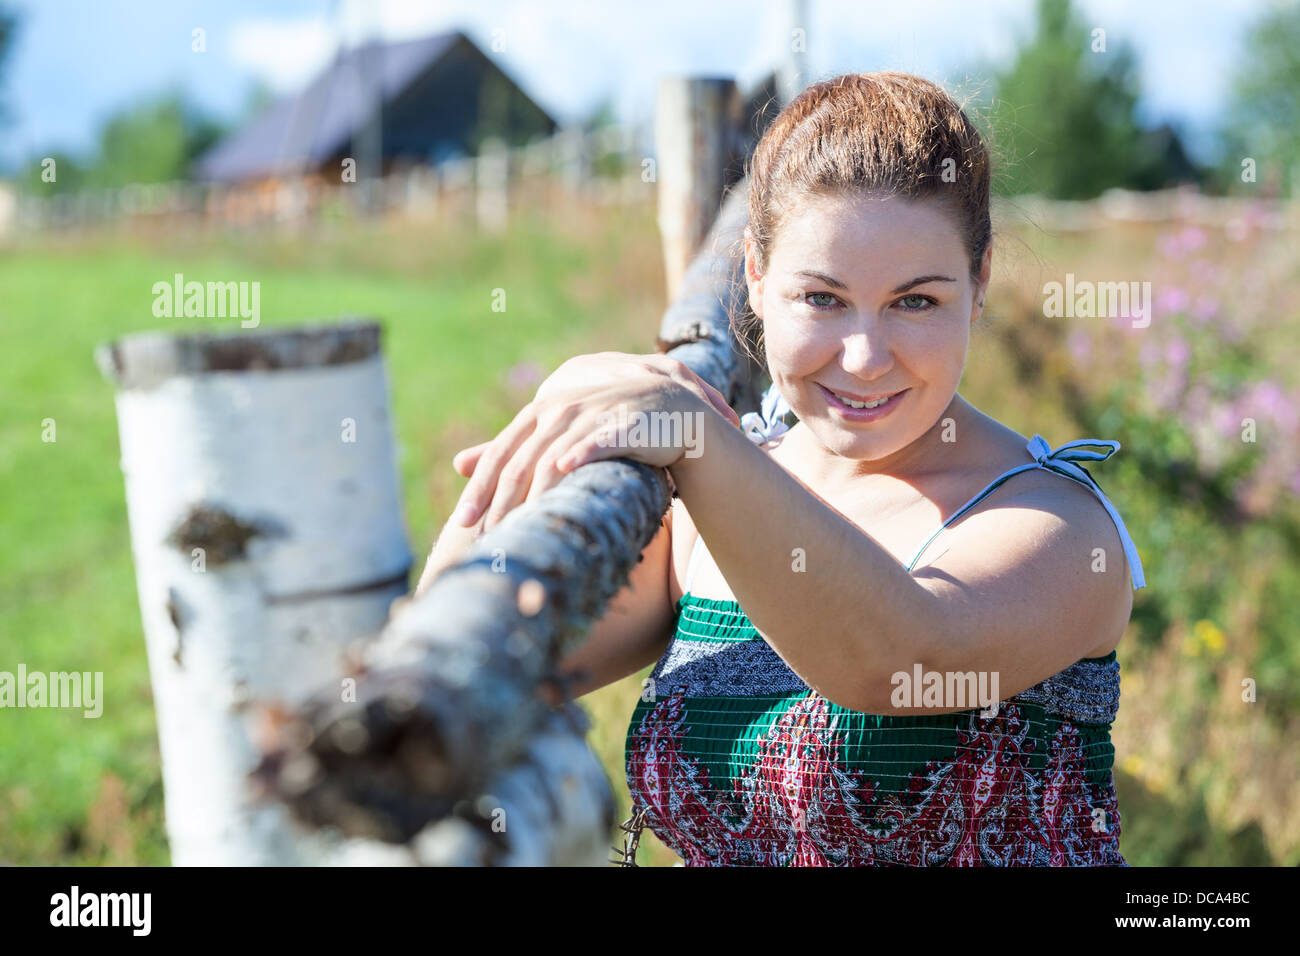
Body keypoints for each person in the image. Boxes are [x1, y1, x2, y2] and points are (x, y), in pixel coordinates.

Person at [418, 71, 1146, 866]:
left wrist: (698, 436)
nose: (866, 358)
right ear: (757, 280)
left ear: (980, 284)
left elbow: (901, 663)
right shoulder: (707, 507)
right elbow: (486, 674)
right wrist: (528, 459)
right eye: (822, 298)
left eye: (916, 302)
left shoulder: (1059, 526)